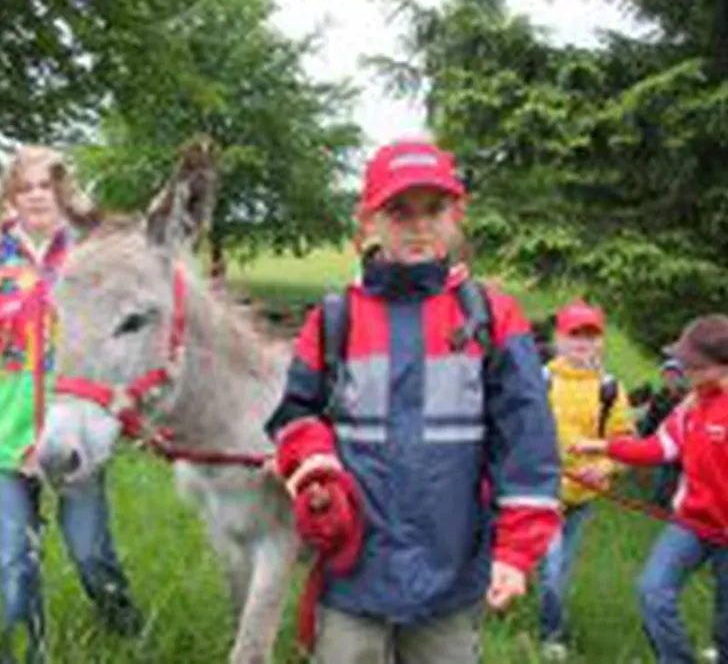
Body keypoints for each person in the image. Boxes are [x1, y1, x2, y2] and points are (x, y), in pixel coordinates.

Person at [264, 139, 562, 664]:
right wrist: (315, 467)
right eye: (399, 210)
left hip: (451, 576)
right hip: (352, 573)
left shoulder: (493, 317)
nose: (419, 225)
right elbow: (295, 415)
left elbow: (527, 441)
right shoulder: (334, 319)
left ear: (457, 215)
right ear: (369, 221)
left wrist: (516, 551)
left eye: (434, 209)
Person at [0, 146, 142, 663]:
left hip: (74, 443)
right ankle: (27, 652)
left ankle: (130, 631)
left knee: (90, 553)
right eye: (25, 188)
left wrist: (133, 415)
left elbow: (124, 344)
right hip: (12, 439)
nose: (37, 196)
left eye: (47, 185)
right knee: (14, 562)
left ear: (63, 195)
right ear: (10, 199)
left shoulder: (88, 262)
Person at [574, 314, 728, 664]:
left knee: (726, 618)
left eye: (692, 364)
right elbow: (659, 448)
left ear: (719, 367)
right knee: (653, 592)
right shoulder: (691, 406)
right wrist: (603, 447)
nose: (682, 369)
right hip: (691, 523)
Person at [538, 299, 634, 660]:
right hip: (545, 493)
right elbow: (521, 433)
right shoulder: (541, 380)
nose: (583, 342)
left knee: (560, 571)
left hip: (585, 496)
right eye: (574, 334)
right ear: (559, 338)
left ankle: (549, 625)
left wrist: (606, 467)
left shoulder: (609, 389)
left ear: (601, 342)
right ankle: (551, 637)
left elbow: (625, 443)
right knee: (550, 571)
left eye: (591, 335)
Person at [637, 357, 689, 508]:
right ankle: (660, 501)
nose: (670, 378)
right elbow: (650, 418)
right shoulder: (660, 396)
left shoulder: (686, 398)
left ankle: (663, 502)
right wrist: (644, 436)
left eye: (674, 374)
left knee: (672, 471)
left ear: (681, 377)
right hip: (663, 439)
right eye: (667, 374)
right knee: (664, 470)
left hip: (681, 442)